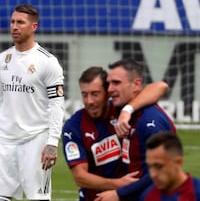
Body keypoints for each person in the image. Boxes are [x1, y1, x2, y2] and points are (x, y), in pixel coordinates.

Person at [0, 4, 65, 201]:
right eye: (12, 22)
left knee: (38, 198)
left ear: (34, 27)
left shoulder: (48, 62)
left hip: (35, 140)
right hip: (5, 141)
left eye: (20, 22)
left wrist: (52, 142)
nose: (14, 27)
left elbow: (56, 105)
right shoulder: (2, 60)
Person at [62, 66, 169, 201]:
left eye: (95, 94)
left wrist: (127, 111)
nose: (89, 101)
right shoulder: (74, 126)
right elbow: (80, 177)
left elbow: (161, 86)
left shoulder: (121, 109)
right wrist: (118, 185)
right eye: (84, 94)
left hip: (129, 195)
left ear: (108, 93)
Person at [95, 59, 176, 201]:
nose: (109, 89)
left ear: (136, 84)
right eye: (109, 84)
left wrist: (118, 194)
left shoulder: (150, 121)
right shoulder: (123, 111)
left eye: (116, 83)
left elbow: (161, 170)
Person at [139, 132, 200, 200]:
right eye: (150, 166)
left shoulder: (197, 194)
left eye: (159, 166)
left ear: (178, 162)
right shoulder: (148, 196)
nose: (153, 175)